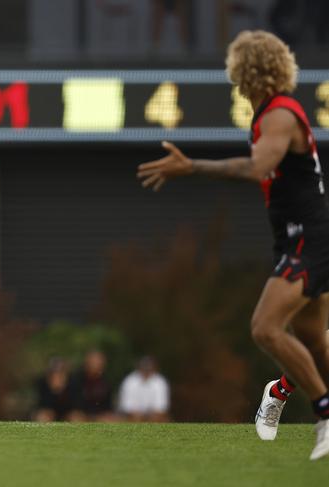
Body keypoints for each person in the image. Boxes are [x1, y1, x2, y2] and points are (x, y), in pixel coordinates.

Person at [137, 30, 329, 460]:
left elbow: (258, 166)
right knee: (315, 342)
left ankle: (323, 413)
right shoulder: (271, 112)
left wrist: (192, 166)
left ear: (245, 71)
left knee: (265, 327)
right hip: (299, 236)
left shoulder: (279, 113)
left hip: (308, 238)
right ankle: (280, 392)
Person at [117, 356, 170, 422]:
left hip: (152, 417)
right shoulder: (130, 380)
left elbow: (161, 409)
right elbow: (126, 407)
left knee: (159, 419)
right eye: (144, 367)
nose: (146, 370)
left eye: (149, 367)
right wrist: (138, 416)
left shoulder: (160, 382)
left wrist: (148, 417)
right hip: (132, 416)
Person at [68, 349, 116, 422]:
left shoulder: (106, 382)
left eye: (100, 362)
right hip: (82, 415)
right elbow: (74, 409)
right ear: (87, 362)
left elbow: (108, 408)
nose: (97, 365)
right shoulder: (76, 380)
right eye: (94, 362)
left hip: (100, 416)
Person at [33, 358, 74, 422]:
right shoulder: (42, 384)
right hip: (49, 415)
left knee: (76, 418)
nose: (56, 378)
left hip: (68, 415)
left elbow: (76, 408)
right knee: (41, 417)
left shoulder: (73, 384)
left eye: (60, 374)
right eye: (53, 374)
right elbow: (41, 406)